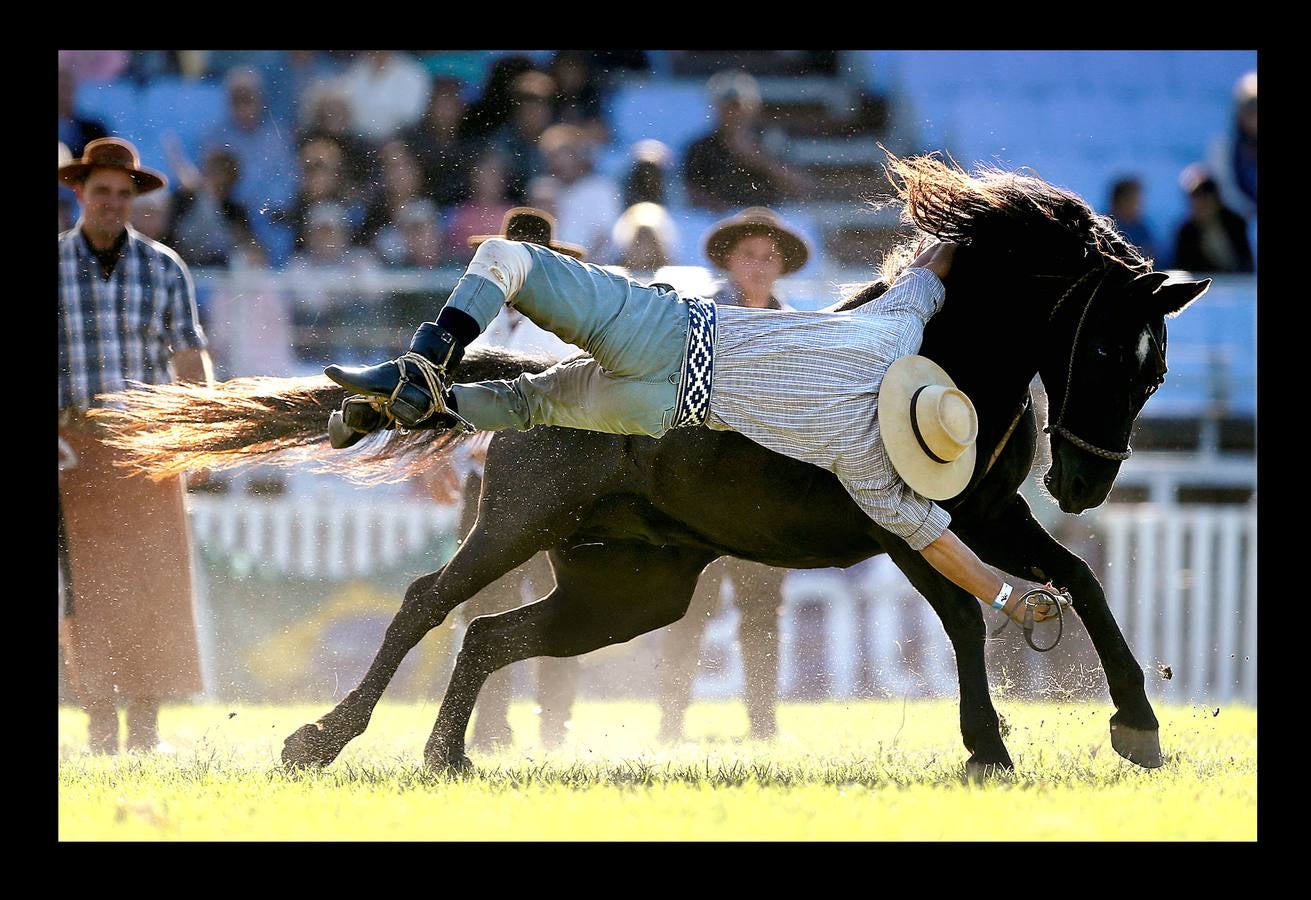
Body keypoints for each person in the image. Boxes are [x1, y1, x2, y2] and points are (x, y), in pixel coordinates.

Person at [323, 234, 1065, 633]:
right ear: (919, 443)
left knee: (505, 258)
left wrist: (991, 234)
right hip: (661, 409)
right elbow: (940, 543)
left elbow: (939, 256)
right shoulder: (868, 460)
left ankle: (424, 362)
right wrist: (1008, 598)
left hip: (669, 331)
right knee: (519, 404)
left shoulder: (891, 328)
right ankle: (412, 402)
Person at [58, 139, 214, 754]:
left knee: (154, 586)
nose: (113, 204)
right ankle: (100, 727)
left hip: (148, 442)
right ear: (80, 192)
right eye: (102, 192)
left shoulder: (165, 267)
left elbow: (189, 357)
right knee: (89, 591)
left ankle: (145, 728)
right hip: (74, 446)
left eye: (124, 195)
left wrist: (198, 437)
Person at [427, 208, 585, 749]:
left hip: (552, 481)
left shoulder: (572, 325)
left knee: (558, 602)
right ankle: (491, 723)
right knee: (483, 605)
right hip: (486, 478)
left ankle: (554, 725)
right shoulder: (478, 324)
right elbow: (444, 398)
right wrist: (441, 460)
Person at [654, 207, 807, 740]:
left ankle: (763, 725)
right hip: (700, 492)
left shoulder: (794, 329)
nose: (759, 266)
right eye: (749, 255)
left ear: (782, 264)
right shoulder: (701, 319)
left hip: (765, 498)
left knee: (763, 611)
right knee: (686, 610)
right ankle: (670, 723)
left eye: (769, 256)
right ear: (729, 260)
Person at [682, 71, 811, 212]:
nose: (732, 113)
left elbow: (801, 187)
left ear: (753, 108)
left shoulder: (773, 141)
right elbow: (690, 193)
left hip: (768, 219)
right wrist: (729, 214)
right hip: (719, 222)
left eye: (737, 106)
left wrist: (755, 156)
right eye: (726, 107)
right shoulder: (701, 147)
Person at [1171, 164, 1254, 273]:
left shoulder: (1235, 223)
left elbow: (1246, 264)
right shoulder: (1186, 232)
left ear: (1216, 200)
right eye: (1196, 201)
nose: (1201, 207)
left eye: (1205, 200)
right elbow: (1182, 268)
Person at [1106, 177, 1159, 263]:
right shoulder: (1103, 228)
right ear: (1118, 201)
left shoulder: (1142, 229)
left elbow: (1152, 259)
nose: (1137, 206)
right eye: (1133, 200)